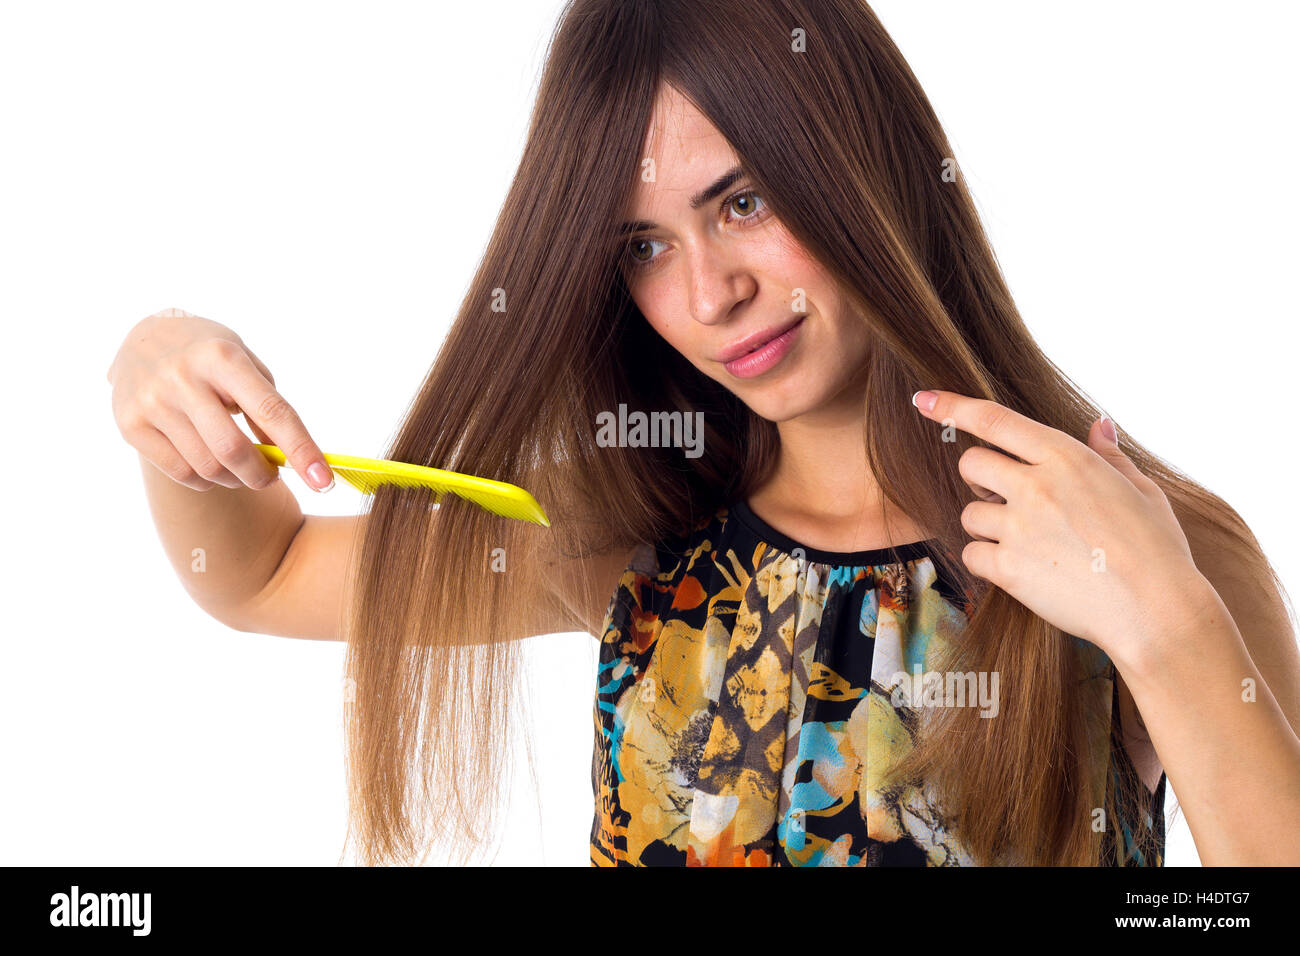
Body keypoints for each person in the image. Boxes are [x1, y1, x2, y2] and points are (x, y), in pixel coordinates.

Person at [107, 0, 1300, 867]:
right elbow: (255, 572)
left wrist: (1172, 628)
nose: (707, 294)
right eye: (643, 245)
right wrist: (162, 372)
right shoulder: (639, 535)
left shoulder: (1156, 547)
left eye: (743, 200)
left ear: (862, 164)